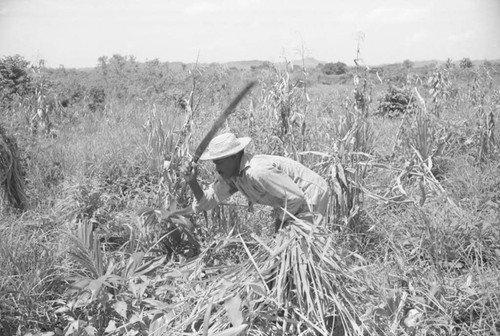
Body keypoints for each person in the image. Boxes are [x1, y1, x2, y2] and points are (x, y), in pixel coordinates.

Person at [182, 133, 330, 232]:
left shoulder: (257, 171)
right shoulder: (232, 175)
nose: (216, 168)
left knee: (304, 248)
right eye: (215, 163)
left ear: (233, 157)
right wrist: (192, 182)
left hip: (309, 193)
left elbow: (296, 198)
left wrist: (279, 225)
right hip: (291, 199)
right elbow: (209, 201)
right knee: (286, 245)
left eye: (219, 162)